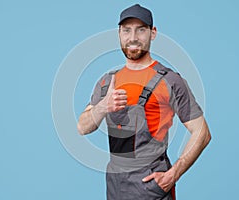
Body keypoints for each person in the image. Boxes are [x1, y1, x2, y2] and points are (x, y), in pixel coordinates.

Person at [77, 4, 211, 200]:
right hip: (115, 186)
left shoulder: (170, 80)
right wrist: (103, 107)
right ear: (119, 34)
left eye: (141, 30)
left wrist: (174, 174)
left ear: (153, 33)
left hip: (150, 187)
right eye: (126, 30)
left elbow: (202, 133)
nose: (133, 37)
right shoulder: (107, 82)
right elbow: (82, 127)